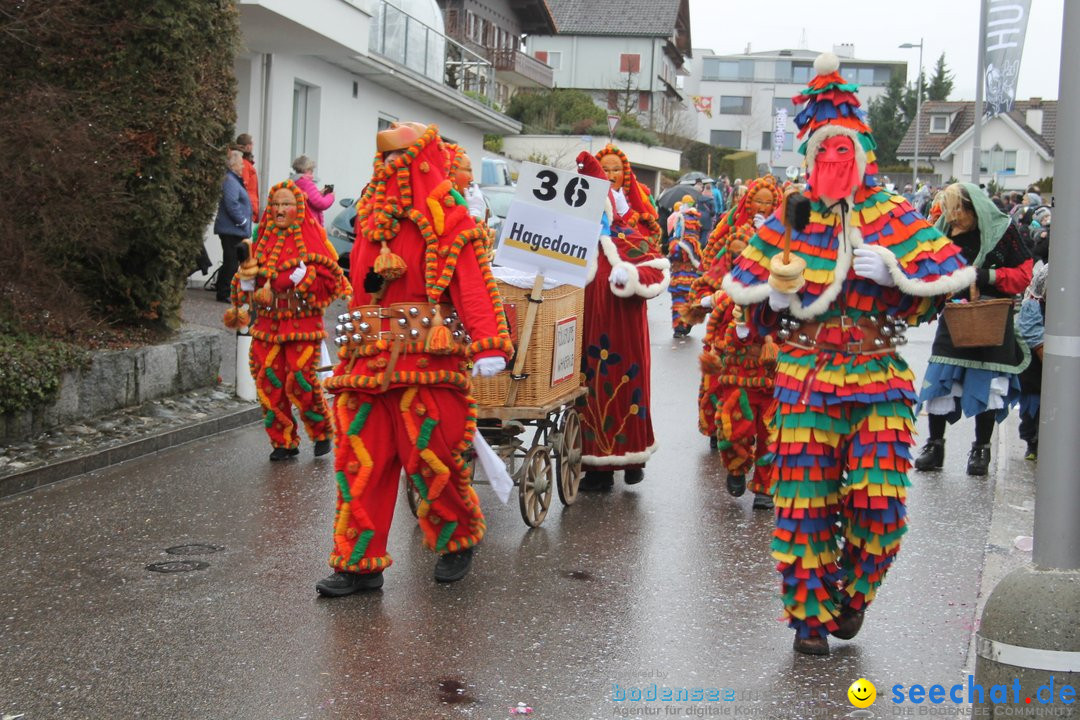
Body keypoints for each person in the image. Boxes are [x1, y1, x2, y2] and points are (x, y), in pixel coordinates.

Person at [723, 53, 975, 655]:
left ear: (861, 153)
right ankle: (809, 620)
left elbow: (934, 295)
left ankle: (853, 595)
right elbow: (749, 309)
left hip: (879, 378)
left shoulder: (892, 214)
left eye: (844, 151)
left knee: (879, 503)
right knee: (804, 504)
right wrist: (775, 300)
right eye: (823, 151)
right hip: (806, 377)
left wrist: (893, 276)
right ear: (809, 156)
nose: (834, 161)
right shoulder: (790, 217)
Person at [315, 122, 513, 596]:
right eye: (384, 161)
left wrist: (487, 343)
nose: (389, 169)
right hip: (367, 362)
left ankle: (456, 540)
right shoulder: (371, 217)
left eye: (399, 161)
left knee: (432, 457)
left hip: (428, 357)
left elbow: (471, 281)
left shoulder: (449, 217)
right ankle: (359, 564)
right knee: (361, 461)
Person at [225, 179, 350, 460]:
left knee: (300, 381)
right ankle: (283, 441)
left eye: (286, 204)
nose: (280, 210)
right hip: (267, 325)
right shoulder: (260, 240)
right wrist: (245, 282)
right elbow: (244, 283)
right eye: (276, 204)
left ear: (299, 208)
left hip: (302, 324)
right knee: (269, 383)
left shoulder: (313, 238)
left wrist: (305, 279)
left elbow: (331, 284)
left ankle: (321, 431)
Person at [915, 182, 1033, 476]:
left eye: (957, 212)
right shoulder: (943, 230)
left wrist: (985, 275)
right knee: (940, 379)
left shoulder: (1003, 231)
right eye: (950, 212)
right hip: (955, 315)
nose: (953, 218)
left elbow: (1023, 274)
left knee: (988, 383)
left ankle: (981, 449)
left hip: (990, 316)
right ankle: (935, 445)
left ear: (973, 208)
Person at [576, 151, 671, 491]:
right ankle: (595, 468)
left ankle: (632, 456)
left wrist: (628, 274)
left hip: (623, 334)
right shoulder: (572, 240)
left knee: (625, 390)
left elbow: (657, 269)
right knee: (589, 391)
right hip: (585, 333)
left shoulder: (627, 233)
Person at [689, 176, 781, 457]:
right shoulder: (734, 232)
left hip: (768, 315)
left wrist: (770, 239)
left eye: (768, 202)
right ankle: (722, 426)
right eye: (757, 200)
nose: (761, 206)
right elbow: (717, 270)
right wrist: (712, 297)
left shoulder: (784, 236)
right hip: (730, 310)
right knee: (721, 378)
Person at [595, 143, 664, 250]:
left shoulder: (634, 208)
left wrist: (625, 212)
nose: (611, 176)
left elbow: (643, 245)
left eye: (616, 170)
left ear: (625, 174)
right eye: (605, 170)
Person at [213, 150, 253, 303]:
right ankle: (223, 292)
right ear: (234, 164)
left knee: (232, 260)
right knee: (230, 261)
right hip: (231, 229)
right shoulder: (230, 180)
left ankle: (224, 289)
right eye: (241, 163)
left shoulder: (234, 180)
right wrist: (242, 221)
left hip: (234, 228)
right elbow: (231, 204)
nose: (243, 166)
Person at [666, 196, 703, 337]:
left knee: (679, 300)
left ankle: (680, 326)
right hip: (690, 275)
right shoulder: (696, 244)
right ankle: (685, 324)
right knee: (688, 299)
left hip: (679, 274)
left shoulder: (678, 243)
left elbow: (674, 253)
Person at [290, 155, 335, 227]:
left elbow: (308, 199)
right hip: (309, 223)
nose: (312, 171)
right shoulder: (306, 183)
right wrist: (331, 196)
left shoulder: (294, 182)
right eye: (311, 169)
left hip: (297, 220)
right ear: (306, 169)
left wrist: (319, 193)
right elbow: (321, 203)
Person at [236, 133, 260, 223]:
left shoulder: (245, 163)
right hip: (246, 209)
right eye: (251, 144)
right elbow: (243, 186)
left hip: (247, 208)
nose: (252, 146)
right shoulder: (245, 165)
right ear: (248, 146)